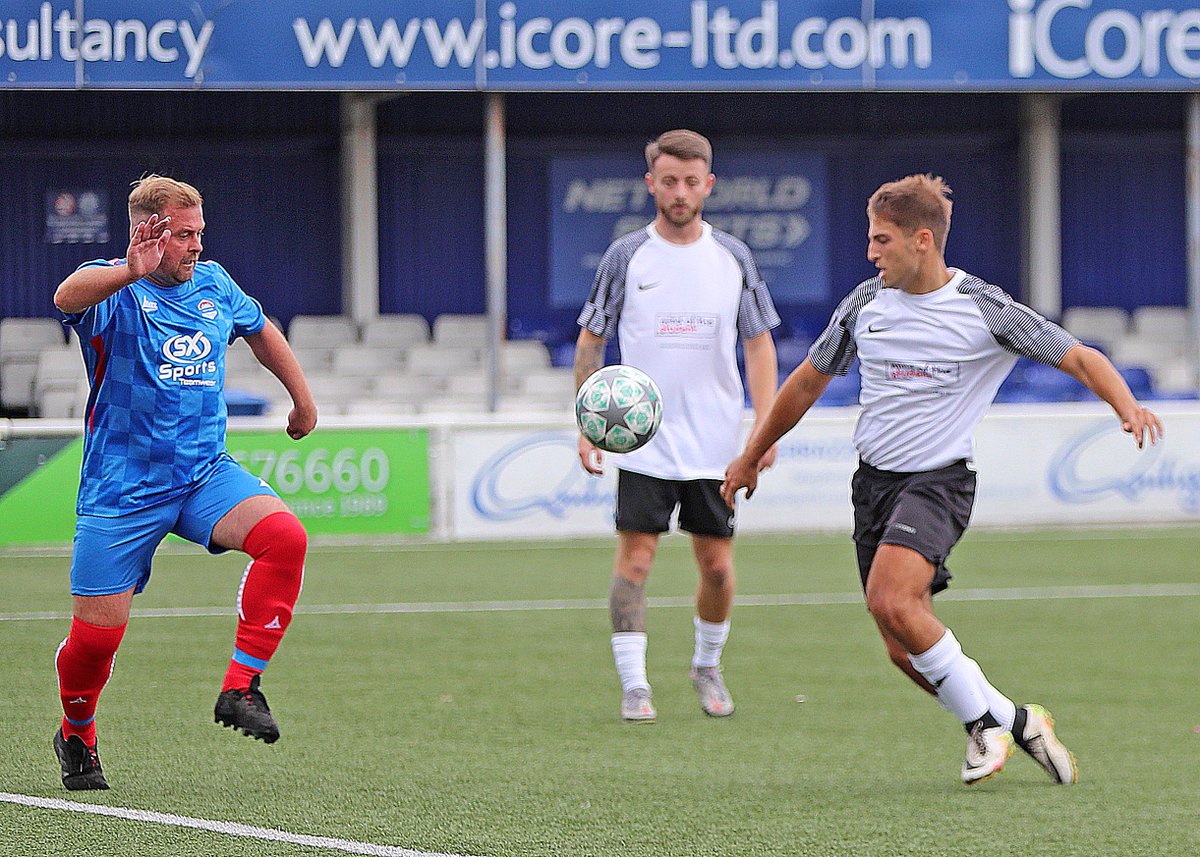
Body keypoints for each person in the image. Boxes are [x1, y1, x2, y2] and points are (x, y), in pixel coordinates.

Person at [722, 174, 1163, 785]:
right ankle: (1014, 718)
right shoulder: (862, 305)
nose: (871, 252)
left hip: (938, 482)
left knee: (890, 599)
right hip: (873, 486)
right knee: (901, 648)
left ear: (922, 240)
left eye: (881, 240)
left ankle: (985, 727)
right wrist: (753, 452)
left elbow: (1078, 355)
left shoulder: (983, 307)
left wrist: (1127, 406)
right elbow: (805, 382)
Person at [50, 175, 318, 790]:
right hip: (122, 489)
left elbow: (260, 327)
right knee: (94, 643)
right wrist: (127, 269)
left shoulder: (215, 284)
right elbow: (67, 294)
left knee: (285, 537)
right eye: (185, 234)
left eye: (200, 232)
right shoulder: (116, 290)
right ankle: (78, 733)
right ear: (149, 231)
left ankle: (240, 685)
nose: (197, 245)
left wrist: (301, 397)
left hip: (203, 474)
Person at [575, 129, 781, 723]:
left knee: (716, 565)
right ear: (651, 184)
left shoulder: (732, 257)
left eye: (692, 181)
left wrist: (762, 431)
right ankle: (634, 683)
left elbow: (759, 344)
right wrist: (587, 423)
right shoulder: (625, 256)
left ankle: (707, 665)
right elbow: (592, 337)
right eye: (669, 181)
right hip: (644, 444)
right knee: (635, 561)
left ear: (708, 185)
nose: (680, 192)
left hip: (716, 445)